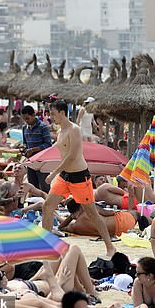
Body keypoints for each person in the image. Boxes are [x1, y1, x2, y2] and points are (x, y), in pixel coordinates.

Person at [42, 99, 116, 257]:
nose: (51, 117)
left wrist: (53, 173)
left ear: (62, 113)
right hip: (65, 176)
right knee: (47, 206)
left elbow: (72, 156)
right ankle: (46, 245)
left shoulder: (74, 130)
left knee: (92, 213)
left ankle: (110, 246)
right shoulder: (61, 131)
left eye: (53, 114)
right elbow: (58, 151)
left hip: (79, 177)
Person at [59, 198, 140, 237]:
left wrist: (70, 217)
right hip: (126, 222)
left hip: (118, 232)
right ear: (81, 206)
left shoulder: (75, 226)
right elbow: (109, 213)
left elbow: (61, 227)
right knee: (135, 213)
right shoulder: (91, 211)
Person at [21, 105, 53, 192]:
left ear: (33, 115)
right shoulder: (24, 128)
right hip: (30, 161)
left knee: (44, 186)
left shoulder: (43, 127)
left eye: (27, 118)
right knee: (32, 187)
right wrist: (24, 149)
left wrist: (33, 150)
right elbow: (25, 144)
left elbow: (48, 144)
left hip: (42, 162)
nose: (26, 121)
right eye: (24, 119)